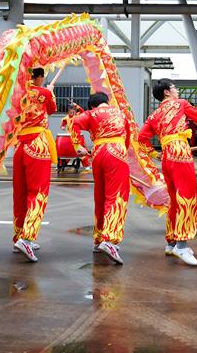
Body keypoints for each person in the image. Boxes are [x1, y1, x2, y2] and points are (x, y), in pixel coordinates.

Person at [138, 80, 197, 266]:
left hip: (166, 156)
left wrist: (154, 153)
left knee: (174, 199)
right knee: (187, 196)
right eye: (174, 88)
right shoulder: (180, 104)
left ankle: (172, 242)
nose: (177, 91)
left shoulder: (154, 114)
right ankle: (182, 245)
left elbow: (141, 139)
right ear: (167, 92)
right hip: (180, 151)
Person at [67, 92, 132, 265]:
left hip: (97, 153)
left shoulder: (90, 114)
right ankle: (109, 240)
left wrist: (78, 145)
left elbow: (72, 123)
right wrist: (122, 154)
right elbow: (127, 137)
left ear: (92, 106)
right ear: (107, 102)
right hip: (116, 152)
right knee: (116, 196)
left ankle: (99, 238)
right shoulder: (120, 113)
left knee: (101, 196)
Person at [11, 67, 57, 262]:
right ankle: (27, 238)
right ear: (38, 77)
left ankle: (19, 235)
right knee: (38, 192)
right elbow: (52, 109)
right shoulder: (44, 93)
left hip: (20, 144)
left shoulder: (17, 93)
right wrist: (50, 91)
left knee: (20, 193)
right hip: (37, 144)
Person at [62, 102, 91, 171]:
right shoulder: (65, 118)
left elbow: (82, 111)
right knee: (66, 152)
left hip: (78, 136)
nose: (72, 112)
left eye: (73, 111)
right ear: (68, 111)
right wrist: (63, 126)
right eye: (70, 111)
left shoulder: (78, 115)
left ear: (75, 111)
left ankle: (86, 165)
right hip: (70, 137)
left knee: (82, 151)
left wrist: (76, 105)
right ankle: (62, 164)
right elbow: (63, 124)